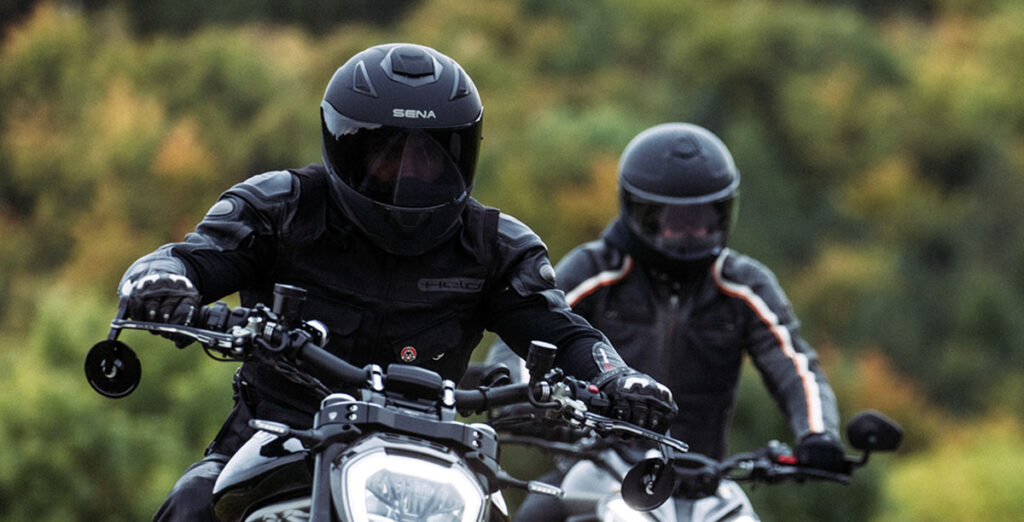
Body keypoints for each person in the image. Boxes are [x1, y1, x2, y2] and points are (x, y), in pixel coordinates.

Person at [118, 43, 676, 521]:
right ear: (345, 146)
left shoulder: (495, 245)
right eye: (388, 156)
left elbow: (565, 331)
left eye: (431, 158)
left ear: (463, 154)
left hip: (436, 457)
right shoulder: (279, 207)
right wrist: (160, 280)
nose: (409, 174)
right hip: (277, 435)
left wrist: (619, 379)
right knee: (194, 502)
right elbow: (190, 258)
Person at [488, 122, 845, 520]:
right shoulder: (596, 269)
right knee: (530, 517)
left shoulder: (744, 284)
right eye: (673, 220)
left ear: (726, 213)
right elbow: (528, 327)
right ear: (638, 211)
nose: (689, 232)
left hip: (708, 480)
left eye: (704, 219)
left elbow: (793, 362)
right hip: (603, 464)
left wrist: (818, 434)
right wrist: (517, 391)